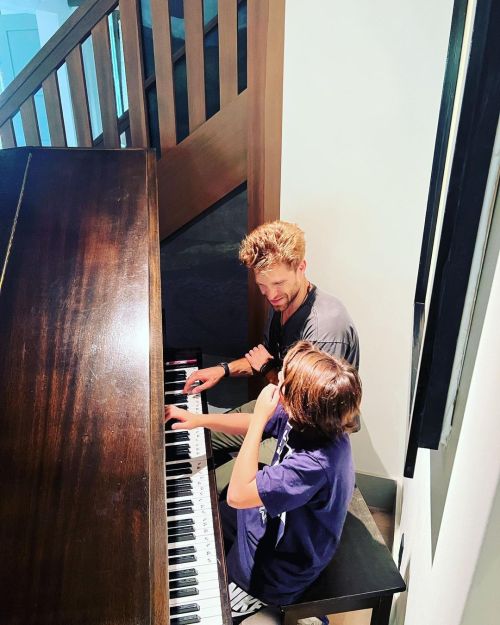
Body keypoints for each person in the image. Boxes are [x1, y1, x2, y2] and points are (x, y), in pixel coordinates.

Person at [166, 341, 362, 624]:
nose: (278, 377)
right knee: (200, 522)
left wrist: (260, 418)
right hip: (260, 519)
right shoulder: (310, 418)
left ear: (299, 403)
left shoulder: (316, 463)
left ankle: (299, 616)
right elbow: (255, 421)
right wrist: (198, 420)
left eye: (283, 379)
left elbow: (238, 494)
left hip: (276, 571)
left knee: (209, 609)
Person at [181, 221, 360, 492]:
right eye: (262, 286)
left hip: (305, 434)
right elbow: (264, 358)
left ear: (301, 267)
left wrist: (267, 370)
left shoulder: (324, 329)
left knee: (216, 487)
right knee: (199, 436)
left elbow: (306, 410)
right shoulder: (282, 302)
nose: (271, 295)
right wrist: (223, 370)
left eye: (278, 283)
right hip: (280, 407)